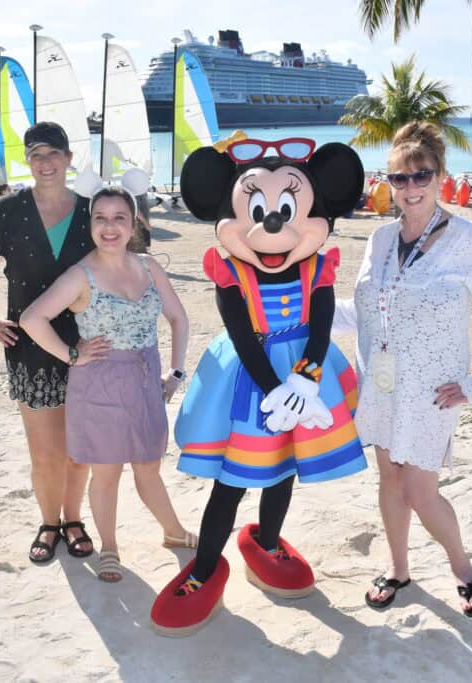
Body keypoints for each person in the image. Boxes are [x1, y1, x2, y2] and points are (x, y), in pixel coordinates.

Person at [150, 139, 369, 636]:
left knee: (286, 465)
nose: (273, 224)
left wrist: (306, 381)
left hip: (306, 378)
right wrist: (276, 389)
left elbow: (321, 326)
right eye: (258, 209)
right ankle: (206, 568)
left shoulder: (318, 267)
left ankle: (267, 541)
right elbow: (242, 335)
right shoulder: (229, 269)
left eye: (287, 209)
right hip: (253, 382)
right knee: (233, 478)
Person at [334, 122, 472, 618]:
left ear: (439, 176)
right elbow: (366, 309)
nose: (411, 188)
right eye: (399, 179)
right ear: (389, 183)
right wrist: (304, 312)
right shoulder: (379, 240)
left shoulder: (465, 241)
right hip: (380, 383)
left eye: (421, 176)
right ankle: (399, 568)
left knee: (421, 492)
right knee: (389, 481)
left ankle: (462, 568)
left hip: (431, 391)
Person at [21, 169, 196, 583]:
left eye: (119, 218)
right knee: (108, 472)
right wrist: (70, 354)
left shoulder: (149, 266)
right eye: (100, 218)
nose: (109, 227)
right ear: (91, 224)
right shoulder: (81, 275)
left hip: (145, 378)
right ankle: (110, 548)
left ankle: (173, 531)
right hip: (98, 384)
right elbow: (33, 318)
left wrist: (176, 370)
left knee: (149, 465)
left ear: (133, 224)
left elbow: (179, 317)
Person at [0, 122, 96, 564]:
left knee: (79, 449)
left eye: (54, 154)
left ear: (70, 159)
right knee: (45, 453)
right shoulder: (10, 210)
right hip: (30, 350)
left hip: (88, 348)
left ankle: (74, 520)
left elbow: (132, 259)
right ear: (29, 162)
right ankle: (49, 523)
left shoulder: (93, 211)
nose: (46, 163)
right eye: (36, 156)